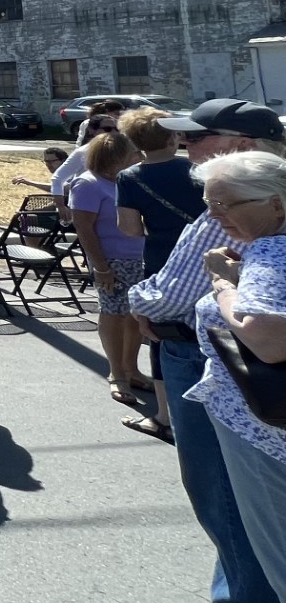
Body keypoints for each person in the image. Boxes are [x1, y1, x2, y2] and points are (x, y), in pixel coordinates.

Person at [127, 99, 286, 603]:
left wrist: (141, 306)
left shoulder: (229, 217)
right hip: (236, 368)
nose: (186, 148)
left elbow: (168, 294)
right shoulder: (245, 204)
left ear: (242, 146)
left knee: (229, 499)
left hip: (220, 366)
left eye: (199, 138)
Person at [183, 152, 286, 603]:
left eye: (228, 205)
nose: (218, 217)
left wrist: (224, 285)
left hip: (265, 434)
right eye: (211, 206)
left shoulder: (270, 251)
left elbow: (266, 339)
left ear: (275, 202)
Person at [116, 108, 201, 442]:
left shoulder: (130, 177)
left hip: (161, 261)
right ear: (173, 136)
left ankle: (164, 416)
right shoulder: (198, 170)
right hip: (205, 259)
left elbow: (131, 230)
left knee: (160, 334)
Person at [69, 129, 150, 404]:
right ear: (114, 158)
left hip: (140, 257)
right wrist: (101, 266)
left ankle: (132, 369)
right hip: (111, 260)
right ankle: (117, 374)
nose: (138, 158)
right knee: (113, 314)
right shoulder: (88, 183)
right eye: (132, 155)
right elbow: (84, 229)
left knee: (136, 316)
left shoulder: (129, 181)